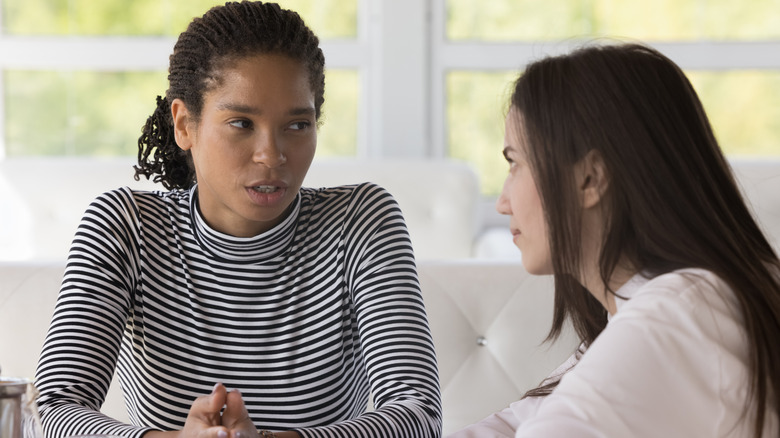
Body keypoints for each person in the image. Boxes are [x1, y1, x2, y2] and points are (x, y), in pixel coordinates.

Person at [33, 2, 442, 437]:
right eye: (242, 123)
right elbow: (54, 408)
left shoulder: (361, 221)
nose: (272, 154)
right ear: (184, 124)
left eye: (298, 125)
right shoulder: (126, 226)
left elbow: (417, 413)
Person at [449, 43, 780, 437]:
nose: (503, 202)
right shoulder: (668, 305)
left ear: (591, 178)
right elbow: (515, 423)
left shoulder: (675, 317)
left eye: (515, 163)